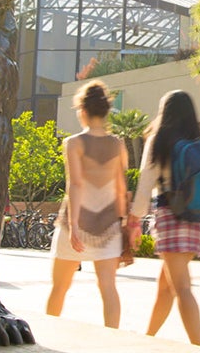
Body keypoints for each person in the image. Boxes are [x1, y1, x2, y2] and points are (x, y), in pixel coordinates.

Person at [127, 90, 200, 346]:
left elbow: (146, 183)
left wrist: (133, 220)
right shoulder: (198, 141)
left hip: (171, 218)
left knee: (182, 288)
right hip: (197, 219)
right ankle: (147, 339)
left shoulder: (159, 139)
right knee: (165, 286)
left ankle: (199, 347)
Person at [46, 80, 130, 329]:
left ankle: (47, 337)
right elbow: (121, 188)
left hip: (76, 225)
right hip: (108, 227)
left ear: (82, 111)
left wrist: (73, 225)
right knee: (108, 288)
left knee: (59, 287)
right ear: (105, 111)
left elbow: (75, 184)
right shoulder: (117, 144)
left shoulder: (73, 143)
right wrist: (123, 224)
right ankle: (112, 343)